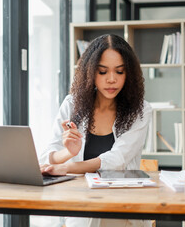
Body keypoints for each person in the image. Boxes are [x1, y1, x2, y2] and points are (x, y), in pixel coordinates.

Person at [39, 34, 152, 227]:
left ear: (129, 74)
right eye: (102, 72)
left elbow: (116, 160)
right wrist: (68, 153)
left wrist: (67, 167)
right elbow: (46, 157)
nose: (111, 79)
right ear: (90, 72)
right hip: (80, 203)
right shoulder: (72, 104)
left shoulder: (140, 110)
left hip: (123, 205)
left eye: (119, 72)